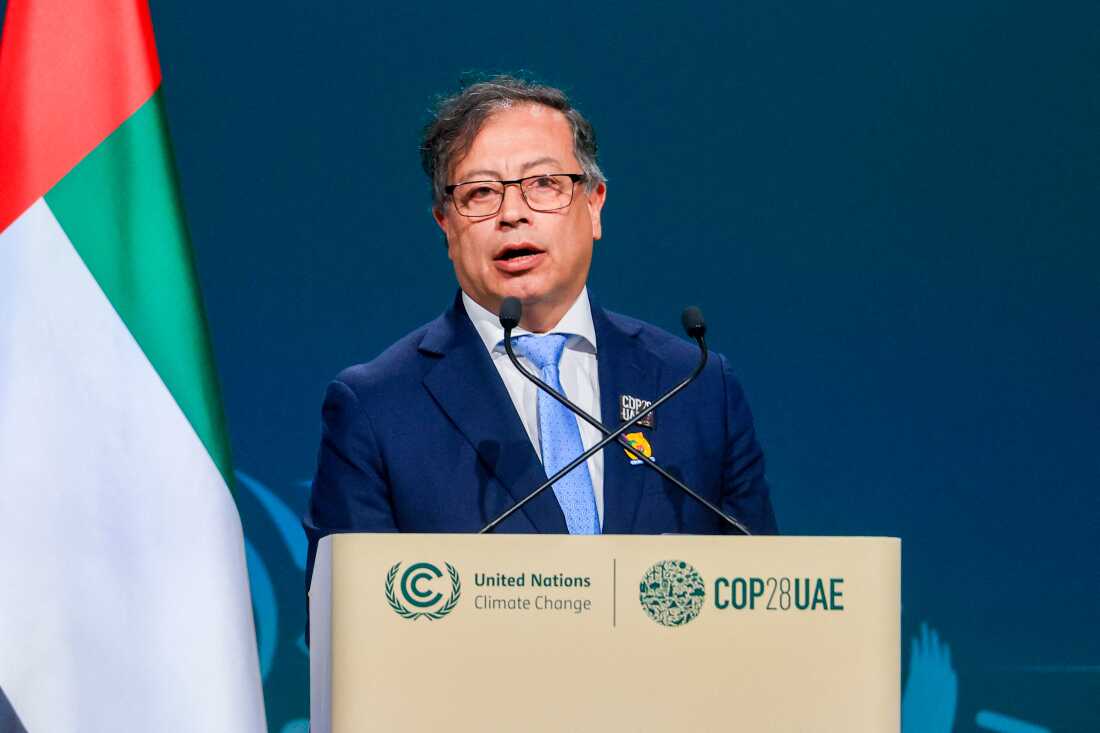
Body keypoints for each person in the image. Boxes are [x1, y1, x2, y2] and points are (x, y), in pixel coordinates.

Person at [303, 75, 777, 585]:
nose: (512, 214)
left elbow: (760, 598)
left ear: (594, 204)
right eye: (480, 193)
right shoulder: (378, 407)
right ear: (445, 224)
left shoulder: (696, 386)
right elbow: (350, 630)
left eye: (544, 184)